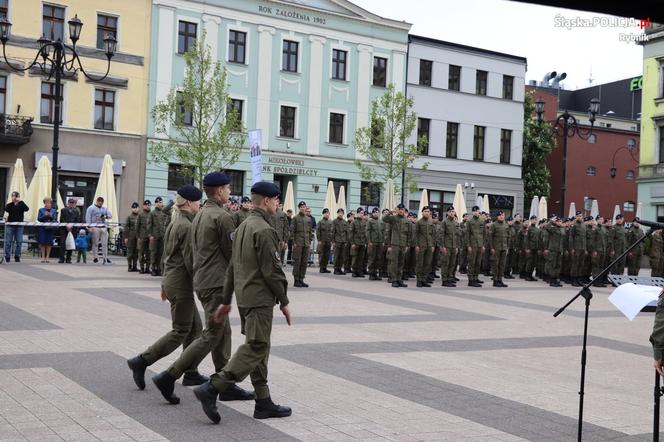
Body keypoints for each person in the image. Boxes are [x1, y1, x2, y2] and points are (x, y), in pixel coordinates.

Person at [149, 172, 252, 404]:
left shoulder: (201, 214)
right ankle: (170, 375)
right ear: (218, 191)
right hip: (216, 282)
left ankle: (223, 381)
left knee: (222, 333)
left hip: (204, 280)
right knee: (213, 333)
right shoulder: (222, 217)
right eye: (227, 188)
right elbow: (231, 252)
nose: (229, 192)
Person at [193, 181, 292, 424]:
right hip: (259, 298)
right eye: (277, 200)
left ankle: (263, 400)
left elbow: (231, 269)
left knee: (258, 346)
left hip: (245, 298)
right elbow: (273, 271)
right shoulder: (264, 230)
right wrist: (284, 300)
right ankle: (214, 387)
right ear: (267, 201)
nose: (278, 204)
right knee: (257, 347)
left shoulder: (243, 225)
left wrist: (226, 300)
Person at [127, 185, 206, 398]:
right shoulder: (186, 226)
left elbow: (166, 256)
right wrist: (203, 285)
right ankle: (141, 361)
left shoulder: (176, 220)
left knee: (196, 328)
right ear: (189, 203)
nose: (200, 205)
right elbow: (190, 261)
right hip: (180, 283)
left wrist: (164, 283)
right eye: (199, 201)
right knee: (181, 330)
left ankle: (191, 371)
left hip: (174, 281)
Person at [382, 204, 410, 288]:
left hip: (403, 244)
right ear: (397, 210)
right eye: (400, 209)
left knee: (401, 263)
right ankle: (394, 279)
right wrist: (391, 211)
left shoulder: (406, 220)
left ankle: (399, 279)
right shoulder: (394, 218)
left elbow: (408, 233)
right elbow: (384, 219)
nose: (401, 211)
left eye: (403, 209)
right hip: (395, 243)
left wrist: (407, 244)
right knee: (394, 262)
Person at [85, 196, 112, 265]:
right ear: (96, 201)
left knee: (104, 243)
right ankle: (95, 257)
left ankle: (105, 257)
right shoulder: (91, 208)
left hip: (103, 227)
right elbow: (88, 217)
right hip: (95, 226)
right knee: (95, 243)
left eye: (101, 202)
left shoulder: (104, 208)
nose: (100, 203)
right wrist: (89, 227)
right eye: (99, 202)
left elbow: (110, 215)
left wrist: (105, 217)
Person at [3, 191, 29, 262]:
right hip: (10, 226)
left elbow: (27, 209)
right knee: (8, 242)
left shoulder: (21, 204)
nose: (14, 197)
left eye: (15, 196)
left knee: (19, 242)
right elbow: (6, 209)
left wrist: (21, 201)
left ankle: (17, 256)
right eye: (13, 196)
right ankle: (7, 256)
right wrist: (13, 203)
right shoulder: (10, 205)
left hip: (19, 226)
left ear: (18, 197)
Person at [292, 201, 312, 287]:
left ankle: (301, 279)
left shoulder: (308, 219)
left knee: (304, 262)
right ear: (299, 208)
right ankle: (296, 280)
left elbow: (310, 231)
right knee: (298, 261)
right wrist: (294, 242)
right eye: (301, 207)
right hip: (298, 243)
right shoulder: (295, 218)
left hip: (306, 243)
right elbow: (292, 231)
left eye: (304, 207)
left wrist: (310, 240)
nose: (303, 208)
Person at [148, 197, 169, 276]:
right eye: (160, 202)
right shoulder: (152, 213)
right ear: (156, 203)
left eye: (161, 202)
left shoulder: (163, 212)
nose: (161, 204)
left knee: (161, 253)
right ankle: (153, 268)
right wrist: (150, 235)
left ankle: (159, 269)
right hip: (155, 235)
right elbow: (149, 224)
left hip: (162, 235)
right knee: (154, 252)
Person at [439, 207, 459, 287]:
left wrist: (457, 246)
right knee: (445, 263)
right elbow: (441, 235)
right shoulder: (444, 222)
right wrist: (442, 246)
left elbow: (457, 236)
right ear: (447, 213)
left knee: (452, 264)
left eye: (453, 211)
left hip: (454, 246)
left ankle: (449, 278)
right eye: (450, 211)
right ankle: (444, 280)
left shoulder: (455, 223)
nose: (452, 213)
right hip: (446, 246)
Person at [415, 206, 434, 287]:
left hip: (429, 245)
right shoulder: (419, 222)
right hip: (421, 245)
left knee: (427, 263)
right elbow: (415, 235)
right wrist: (416, 245)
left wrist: (432, 245)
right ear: (422, 212)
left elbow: (432, 235)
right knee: (420, 263)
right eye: (425, 211)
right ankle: (419, 280)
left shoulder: (430, 222)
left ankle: (424, 279)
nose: (427, 212)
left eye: (428, 211)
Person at [466, 206, 485, 287]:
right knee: (472, 262)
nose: (476, 212)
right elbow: (467, 234)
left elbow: (484, 233)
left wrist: (483, 244)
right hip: (473, 244)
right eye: (474, 211)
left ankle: (476, 277)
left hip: (480, 244)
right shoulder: (470, 221)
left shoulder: (482, 220)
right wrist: (468, 245)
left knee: (478, 262)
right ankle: (471, 280)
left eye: (477, 211)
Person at [58, 198, 81, 264]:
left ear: (74, 204)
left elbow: (77, 220)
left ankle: (68, 258)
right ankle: (61, 258)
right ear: (68, 203)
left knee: (71, 244)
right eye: (70, 203)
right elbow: (61, 219)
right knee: (62, 243)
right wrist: (67, 225)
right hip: (64, 229)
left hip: (73, 230)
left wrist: (72, 226)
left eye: (72, 203)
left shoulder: (76, 211)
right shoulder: (63, 210)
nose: (71, 204)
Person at [37, 197, 57, 263]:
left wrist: (50, 216)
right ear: (44, 203)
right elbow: (39, 219)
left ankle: (47, 257)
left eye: (49, 202)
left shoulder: (53, 210)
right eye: (47, 202)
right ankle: (43, 257)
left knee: (49, 243)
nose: (48, 204)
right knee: (42, 242)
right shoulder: (41, 210)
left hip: (50, 228)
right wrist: (45, 216)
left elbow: (54, 219)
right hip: (42, 228)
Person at [366, 208, 384, 281]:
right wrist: (369, 241)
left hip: (379, 242)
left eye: (377, 212)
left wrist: (382, 241)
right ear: (372, 213)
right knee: (372, 258)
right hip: (373, 242)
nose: (376, 213)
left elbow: (382, 232)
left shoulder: (380, 221)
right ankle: (371, 273)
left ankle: (375, 273)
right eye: (375, 212)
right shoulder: (370, 220)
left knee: (378, 258)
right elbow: (367, 231)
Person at [124, 202, 141, 272]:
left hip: (138, 236)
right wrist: (126, 237)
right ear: (132, 209)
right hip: (131, 236)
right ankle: (129, 266)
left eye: (137, 208)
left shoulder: (140, 216)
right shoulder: (129, 217)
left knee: (136, 252)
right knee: (130, 252)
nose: (136, 209)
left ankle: (135, 266)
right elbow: (126, 228)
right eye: (134, 208)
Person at [351, 208, 367, 278]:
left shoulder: (364, 222)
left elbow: (366, 233)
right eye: (360, 213)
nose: (362, 214)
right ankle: (354, 271)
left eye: (363, 213)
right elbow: (351, 234)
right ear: (357, 214)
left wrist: (366, 242)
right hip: (356, 242)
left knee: (361, 258)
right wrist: (353, 243)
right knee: (355, 257)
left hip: (362, 242)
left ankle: (359, 271)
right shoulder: (354, 222)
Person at [316, 208, 333, 273]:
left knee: (327, 255)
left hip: (328, 240)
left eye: (328, 213)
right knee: (322, 255)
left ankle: (325, 267)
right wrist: (319, 240)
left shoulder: (330, 222)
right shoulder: (320, 222)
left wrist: (331, 240)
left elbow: (332, 231)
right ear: (323, 214)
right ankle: (321, 268)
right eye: (326, 213)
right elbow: (318, 231)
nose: (327, 214)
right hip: (322, 241)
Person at [137, 200, 152, 274]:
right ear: (143, 206)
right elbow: (137, 226)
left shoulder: (152, 214)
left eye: (149, 205)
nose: (147, 206)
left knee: (149, 253)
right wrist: (138, 236)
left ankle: (147, 268)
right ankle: (142, 268)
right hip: (142, 236)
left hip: (150, 237)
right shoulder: (141, 215)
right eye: (146, 205)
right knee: (141, 253)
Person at [332, 208, 347, 275]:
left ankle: (340, 268)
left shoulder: (344, 222)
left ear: (343, 214)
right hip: (337, 240)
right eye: (339, 213)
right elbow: (332, 231)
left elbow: (346, 232)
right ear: (337, 213)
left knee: (342, 256)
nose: (340, 214)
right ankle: (335, 269)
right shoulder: (334, 221)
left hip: (343, 241)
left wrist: (346, 240)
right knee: (336, 255)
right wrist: (333, 241)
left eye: (342, 213)